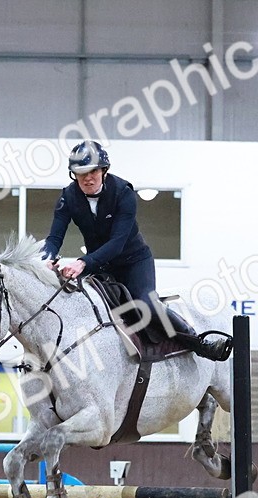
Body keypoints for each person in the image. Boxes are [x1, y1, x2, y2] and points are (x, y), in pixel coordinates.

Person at [41, 140, 232, 362]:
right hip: (100, 266)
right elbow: (55, 237)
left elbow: (117, 243)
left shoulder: (123, 192)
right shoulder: (68, 196)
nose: (87, 178)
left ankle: (199, 344)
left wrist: (82, 262)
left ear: (104, 170)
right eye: (81, 173)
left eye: (93, 171)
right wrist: (46, 259)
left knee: (146, 304)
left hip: (133, 262)